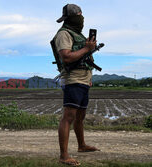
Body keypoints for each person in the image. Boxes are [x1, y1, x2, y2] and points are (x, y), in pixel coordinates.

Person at [53, 4, 100, 166]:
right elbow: (66, 57)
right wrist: (87, 48)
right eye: (79, 15)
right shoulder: (64, 34)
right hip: (73, 79)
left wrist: (88, 76)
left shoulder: (77, 34)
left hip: (83, 79)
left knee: (80, 116)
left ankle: (81, 146)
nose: (82, 18)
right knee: (68, 117)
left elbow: (81, 57)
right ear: (73, 17)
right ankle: (63, 156)